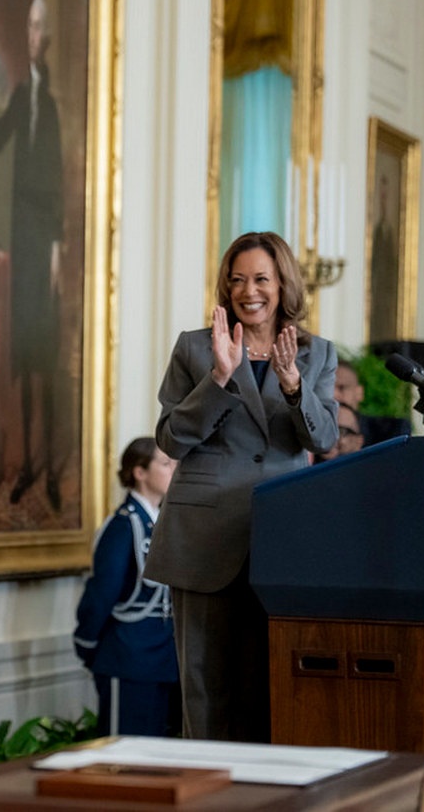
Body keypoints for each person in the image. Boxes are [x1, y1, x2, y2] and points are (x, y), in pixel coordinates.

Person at [146, 231, 338, 742]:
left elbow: (324, 436)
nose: (248, 290)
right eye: (237, 280)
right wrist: (220, 380)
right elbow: (169, 439)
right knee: (205, 692)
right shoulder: (195, 347)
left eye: (260, 279)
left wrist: (294, 384)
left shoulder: (316, 353)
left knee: (273, 686)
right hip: (202, 538)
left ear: (283, 284)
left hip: (283, 539)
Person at [0, 0, 65, 509]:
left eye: (38, 26)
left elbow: (58, 182)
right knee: (23, 358)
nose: (32, 34)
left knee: (44, 360)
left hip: (42, 244)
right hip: (20, 242)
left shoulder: (47, 101)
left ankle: (46, 466)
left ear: (46, 35)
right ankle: (26, 464)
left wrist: (55, 250)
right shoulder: (25, 90)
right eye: (27, 25)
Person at [73, 437, 179, 737]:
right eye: (165, 463)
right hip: (128, 656)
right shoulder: (123, 525)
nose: (173, 470)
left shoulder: (160, 522)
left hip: (162, 659)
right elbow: (102, 592)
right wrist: (87, 643)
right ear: (139, 472)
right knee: (126, 755)